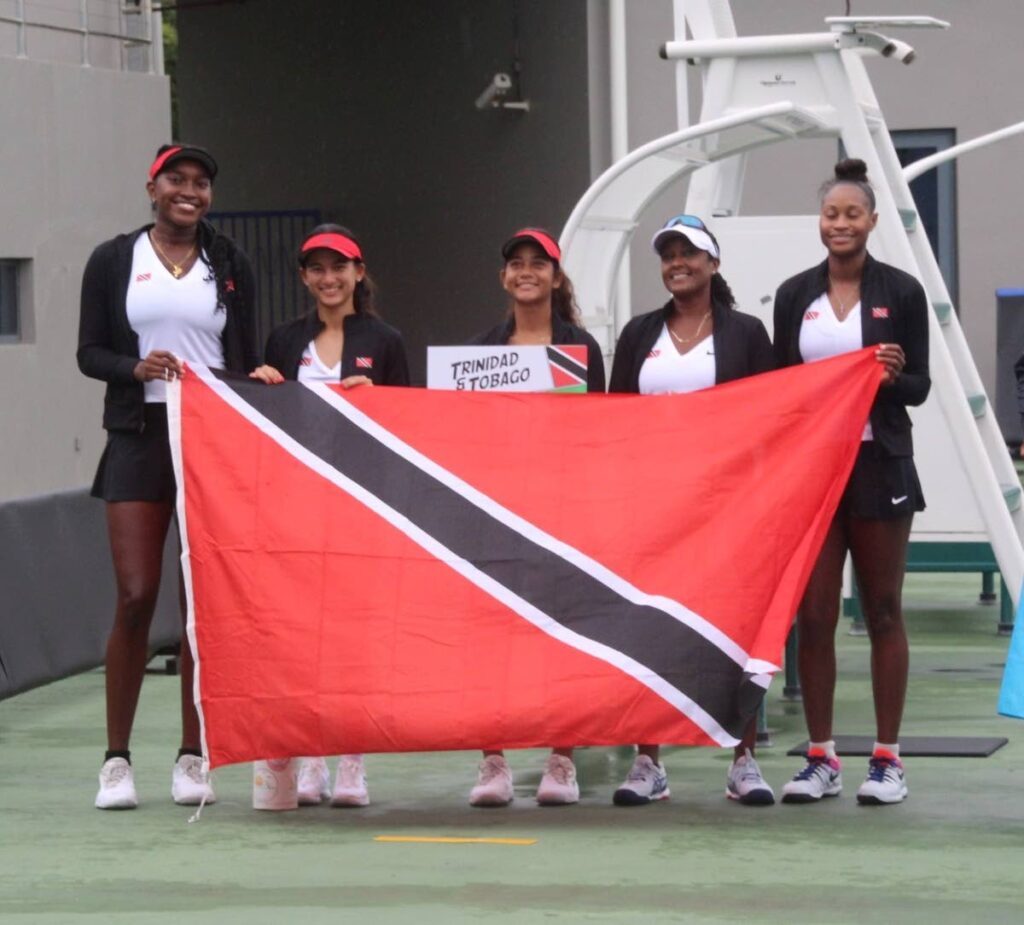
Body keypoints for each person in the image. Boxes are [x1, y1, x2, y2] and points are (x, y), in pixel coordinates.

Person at [77, 143, 259, 809]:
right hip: (138, 434)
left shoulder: (229, 261)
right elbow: (88, 350)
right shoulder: (113, 258)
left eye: (201, 182)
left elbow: (242, 349)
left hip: (209, 437)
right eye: (176, 180)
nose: (190, 190)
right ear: (152, 187)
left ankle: (192, 754)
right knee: (135, 593)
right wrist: (134, 369)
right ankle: (116, 760)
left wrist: (253, 385)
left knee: (199, 605)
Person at [773, 158, 930, 806]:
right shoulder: (794, 296)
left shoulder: (903, 290)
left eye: (852, 213)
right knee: (814, 615)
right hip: (813, 470)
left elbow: (920, 386)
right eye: (831, 214)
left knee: (883, 606)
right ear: (820, 222)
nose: (840, 223)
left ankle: (888, 759)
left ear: (872, 220)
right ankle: (821, 756)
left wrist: (892, 376)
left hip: (878, 462)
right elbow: (783, 385)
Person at [608, 213, 776, 807]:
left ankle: (744, 760)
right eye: (668, 254)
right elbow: (614, 421)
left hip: (728, 506)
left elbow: (775, 416)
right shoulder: (637, 334)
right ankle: (648, 763)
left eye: (690, 252)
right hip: (653, 507)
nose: (677, 262)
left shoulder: (748, 334)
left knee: (736, 630)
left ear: (714, 262)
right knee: (648, 629)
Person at [250, 224, 410, 807]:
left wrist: (379, 402)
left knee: (354, 629)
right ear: (304, 278)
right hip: (298, 504)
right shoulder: (284, 339)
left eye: (339, 267)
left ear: (358, 273)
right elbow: (267, 425)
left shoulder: (385, 339)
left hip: (363, 502)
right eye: (317, 269)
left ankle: (352, 759)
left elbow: (408, 427)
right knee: (303, 630)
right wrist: (263, 385)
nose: (329, 278)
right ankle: (310, 754)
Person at [465, 227, 606, 807]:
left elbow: (600, 430)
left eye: (538, 264)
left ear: (555, 275)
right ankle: (492, 762)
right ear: (504, 277)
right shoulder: (480, 350)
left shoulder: (581, 349)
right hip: (496, 508)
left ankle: (561, 760)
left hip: (562, 508)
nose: (527, 272)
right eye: (516, 263)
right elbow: (462, 432)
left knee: (563, 634)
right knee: (492, 636)